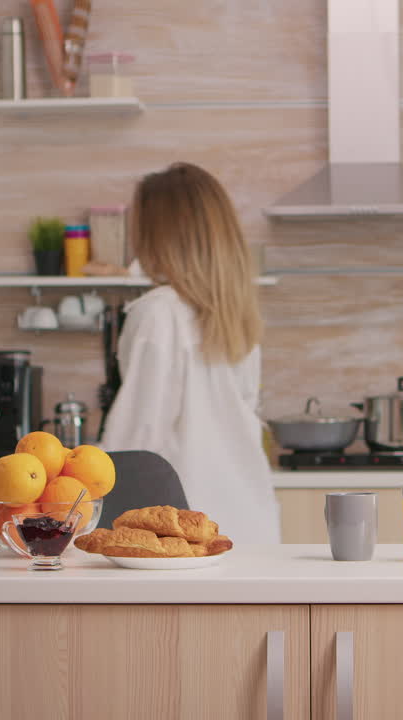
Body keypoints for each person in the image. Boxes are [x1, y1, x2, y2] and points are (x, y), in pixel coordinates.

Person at [100, 162, 281, 544]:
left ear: (157, 234)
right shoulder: (236, 314)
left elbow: (135, 440)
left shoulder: (158, 313)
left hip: (182, 532)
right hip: (250, 519)